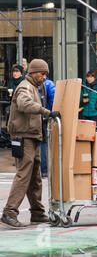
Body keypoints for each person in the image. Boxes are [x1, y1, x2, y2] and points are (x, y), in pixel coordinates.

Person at [1, 59, 60, 228]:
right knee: (24, 175)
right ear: (33, 72)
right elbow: (24, 103)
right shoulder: (25, 86)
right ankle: (9, 212)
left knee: (35, 177)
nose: (44, 77)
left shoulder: (34, 87)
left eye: (46, 74)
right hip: (23, 137)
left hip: (32, 136)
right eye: (42, 73)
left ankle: (37, 213)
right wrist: (46, 112)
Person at [38, 77, 56, 178]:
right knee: (44, 144)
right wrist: (50, 114)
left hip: (33, 118)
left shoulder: (28, 82)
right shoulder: (49, 83)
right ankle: (44, 171)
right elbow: (53, 100)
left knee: (34, 144)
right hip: (44, 117)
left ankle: (36, 170)